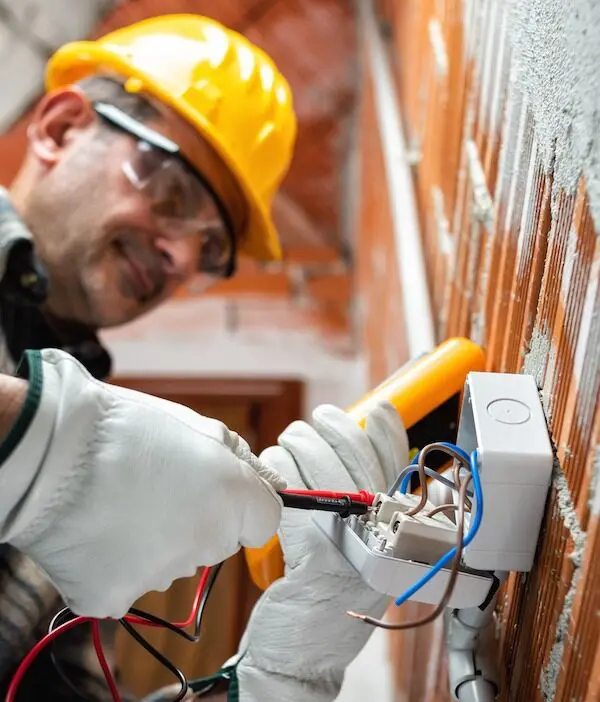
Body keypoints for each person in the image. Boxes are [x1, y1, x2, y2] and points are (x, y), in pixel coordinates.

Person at [0, 13, 410, 702]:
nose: (183, 257)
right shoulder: (75, 420)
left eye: (211, 248)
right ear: (61, 127)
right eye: (171, 187)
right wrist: (51, 441)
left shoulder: (75, 383)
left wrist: (272, 678)